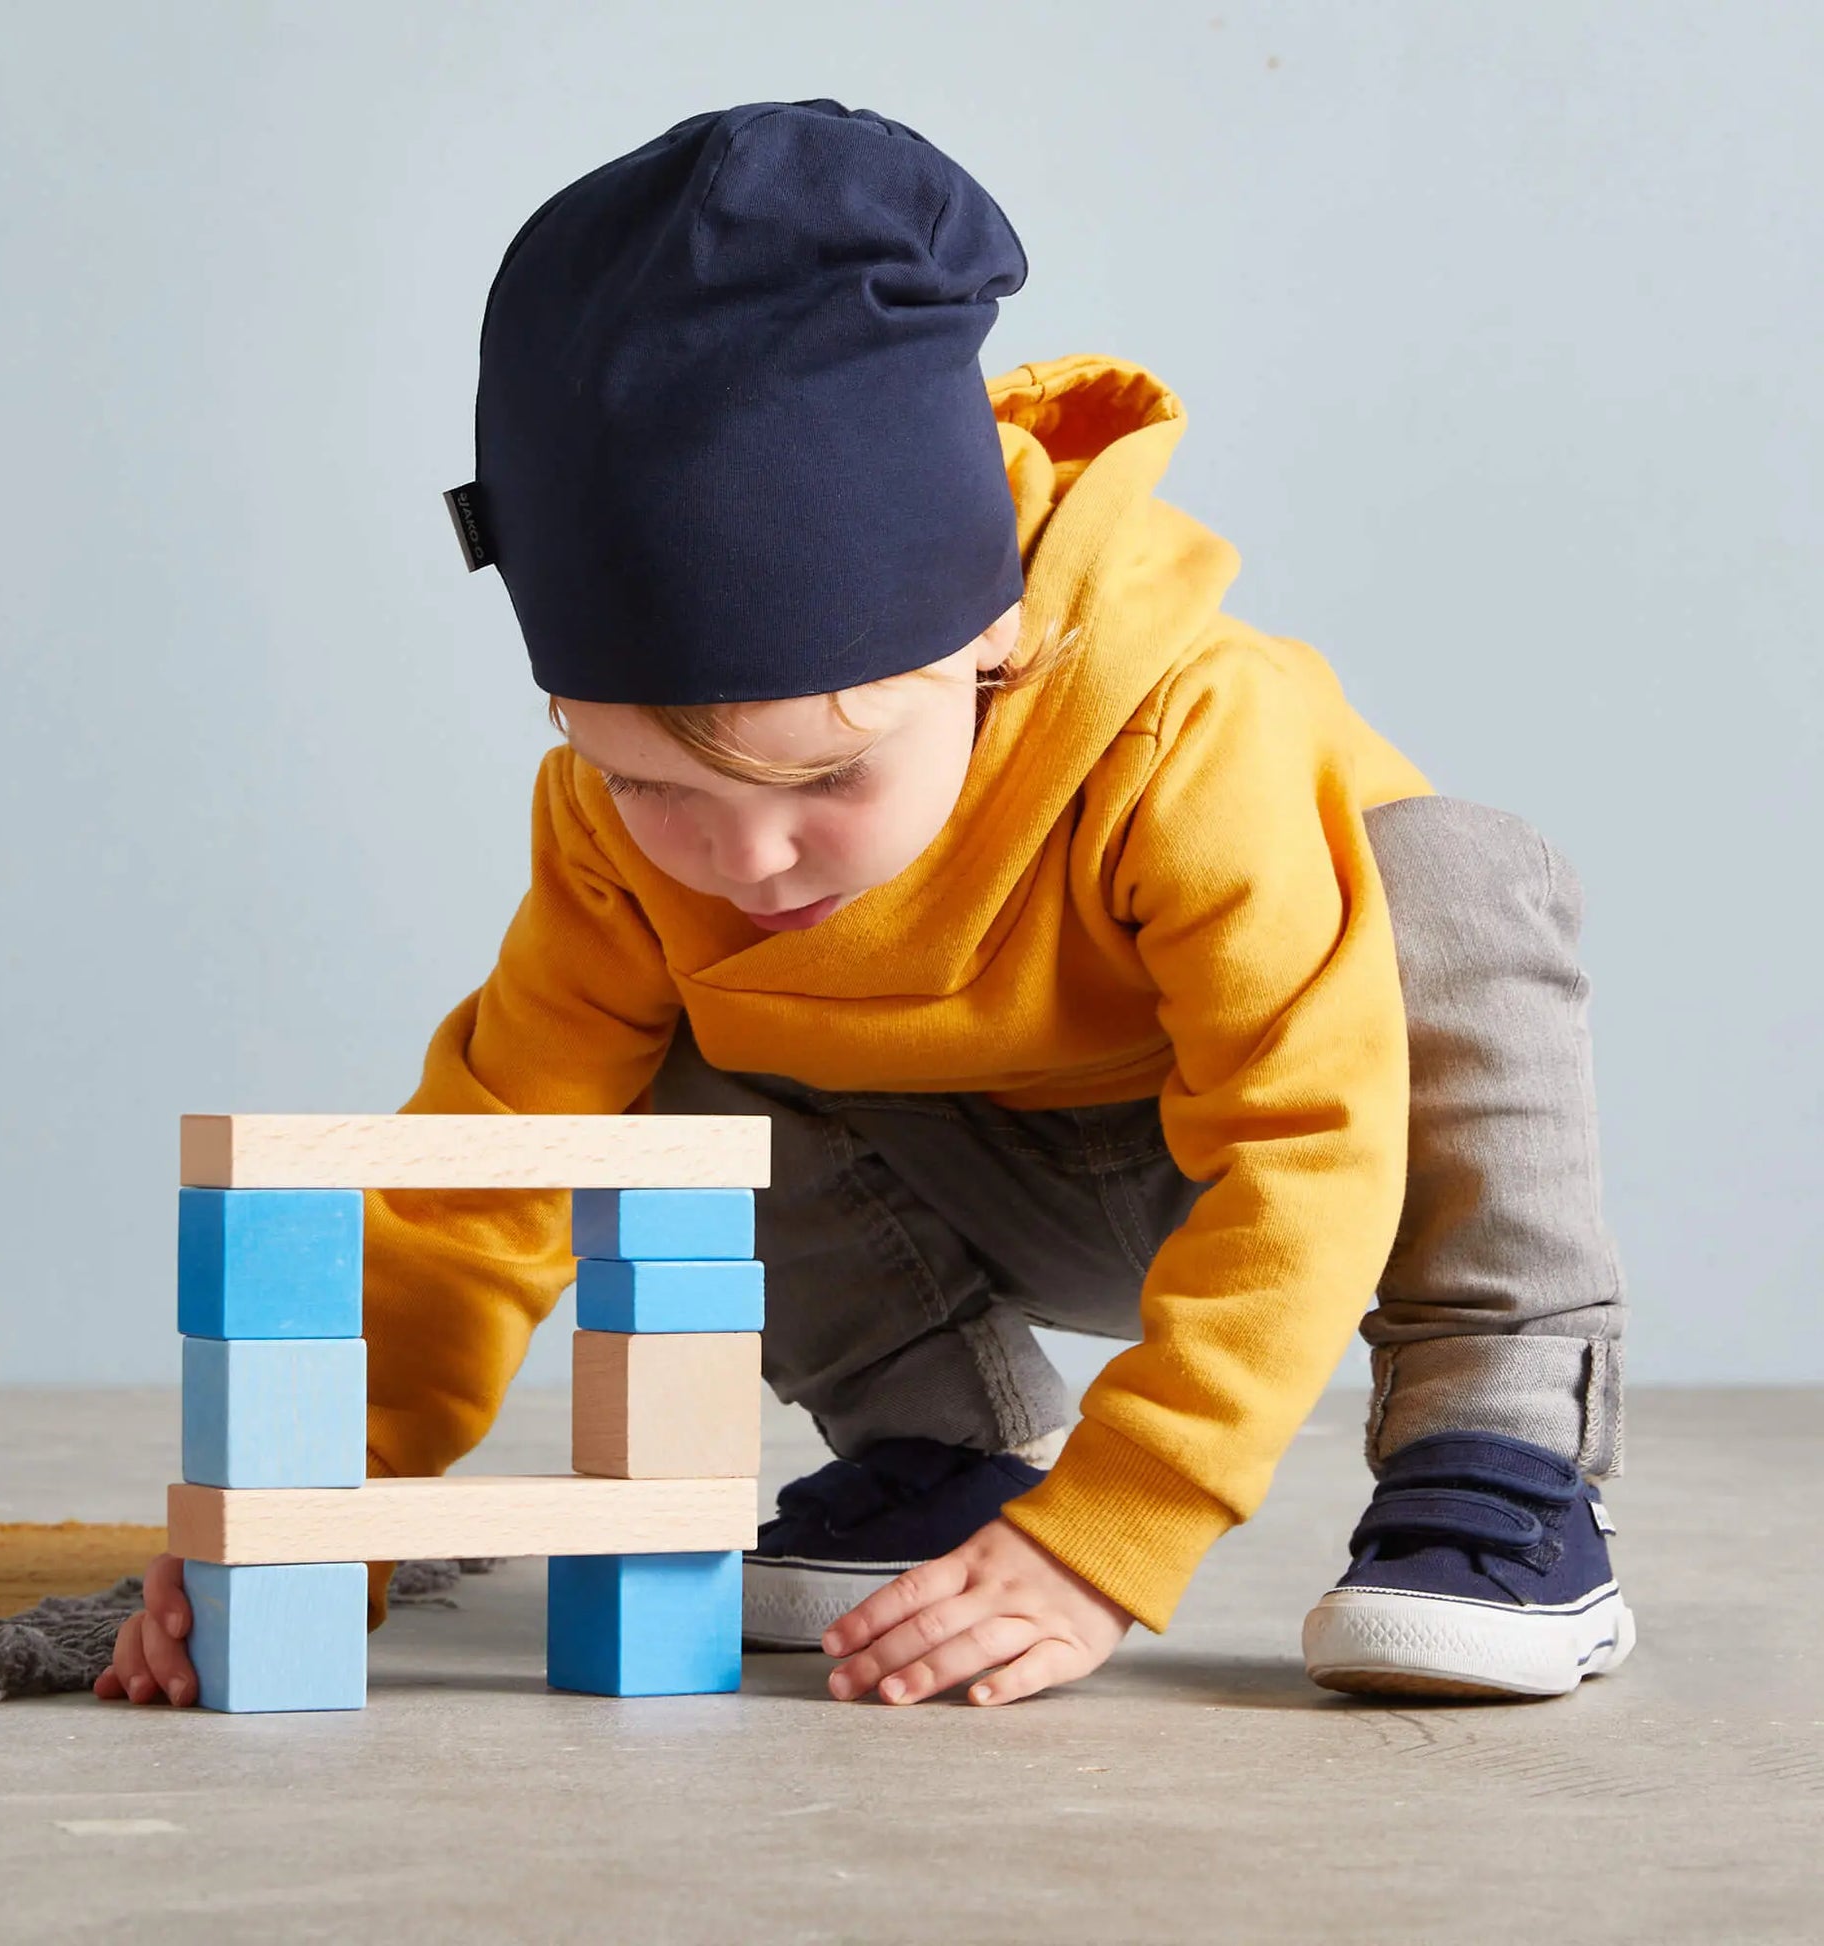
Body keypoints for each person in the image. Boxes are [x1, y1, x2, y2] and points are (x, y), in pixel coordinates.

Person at [97, 98, 1632, 1714]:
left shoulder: (1186, 728)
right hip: (963, 1164)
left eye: (828, 781)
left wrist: (1110, 1532)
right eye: (654, 784)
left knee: (1444, 870)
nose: (746, 858)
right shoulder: (619, 847)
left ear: (985, 646)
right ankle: (937, 1447)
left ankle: (1498, 1444)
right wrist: (336, 1495)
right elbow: (500, 1154)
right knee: (639, 1071)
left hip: (1301, 1149)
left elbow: (1308, 1143)